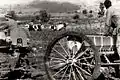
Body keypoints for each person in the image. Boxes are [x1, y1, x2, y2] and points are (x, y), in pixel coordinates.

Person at [103, 0, 120, 78]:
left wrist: (106, 32)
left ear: (106, 6)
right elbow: (113, 23)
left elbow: (107, 22)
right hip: (117, 27)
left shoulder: (109, 10)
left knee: (118, 45)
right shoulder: (114, 9)